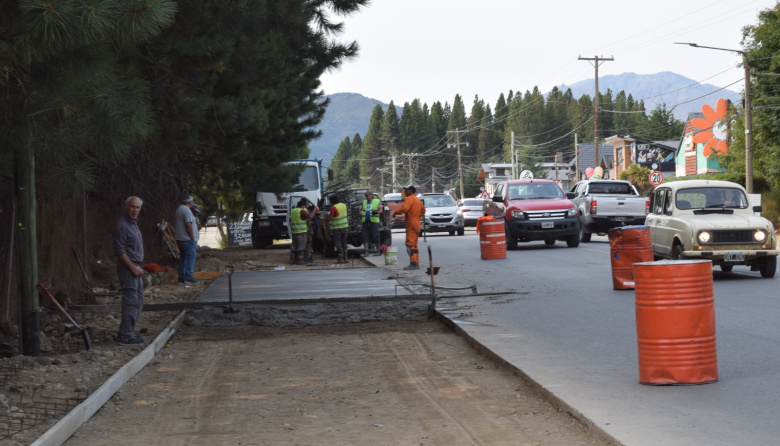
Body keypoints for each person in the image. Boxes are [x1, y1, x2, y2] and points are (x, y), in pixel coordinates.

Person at [113, 196, 146, 345]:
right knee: (131, 302)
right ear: (126, 207)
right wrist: (132, 268)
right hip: (128, 268)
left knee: (139, 300)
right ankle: (126, 335)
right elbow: (119, 250)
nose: (135, 210)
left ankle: (126, 332)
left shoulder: (133, 224)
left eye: (137, 207)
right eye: (132, 207)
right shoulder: (122, 225)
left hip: (136, 266)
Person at [391, 185, 426, 270]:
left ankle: (413, 264)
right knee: (414, 245)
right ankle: (416, 263)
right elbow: (423, 210)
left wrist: (395, 212)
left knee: (410, 244)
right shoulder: (417, 199)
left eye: (406, 190)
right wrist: (416, 216)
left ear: (410, 191)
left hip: (411, 223)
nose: (405, 192)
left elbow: (404, 208)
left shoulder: (409, 199)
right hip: (417, 223)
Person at [174, 194, 199, 284]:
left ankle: (182, 276)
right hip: (187, 238)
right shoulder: (186, 210)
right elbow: (188, 225)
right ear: (190, 202)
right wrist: (192, 237)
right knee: (191, 257)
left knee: (183, 257)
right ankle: (189, 276)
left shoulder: (179, 209)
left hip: (180, 238)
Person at [321, 194, 349, 263]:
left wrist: (322, 219)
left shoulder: (334, 208)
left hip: (337, 228)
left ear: (332, 201)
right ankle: (346, 258)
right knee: (344, 242)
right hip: (345, 227)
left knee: (338, 243)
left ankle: (340, 259)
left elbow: (330, 218)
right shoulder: (344, 205)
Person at [361, 190, 383, 256]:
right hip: (365, 222)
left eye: (367, 195)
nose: (366, 197)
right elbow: (362, 210)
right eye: (365, 195)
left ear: (371, 195)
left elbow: (381, 210)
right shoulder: (364, 202)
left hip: (374, 222)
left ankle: (378, 251)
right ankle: (366, 252)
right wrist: (360, 213)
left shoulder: (376, 201)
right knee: (365, 237)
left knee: (376, 236)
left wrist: (376, 212)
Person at [290, 198, 310, 264]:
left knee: (294, 246)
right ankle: (300, 260)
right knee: (301, 246)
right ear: (302, 205)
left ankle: (292, 260)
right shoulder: (302, 211)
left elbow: (291, 219)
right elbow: (309, 217)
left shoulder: (293, 211)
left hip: (294, 232)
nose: (304, 207)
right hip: (302, 232)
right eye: (304, 205)